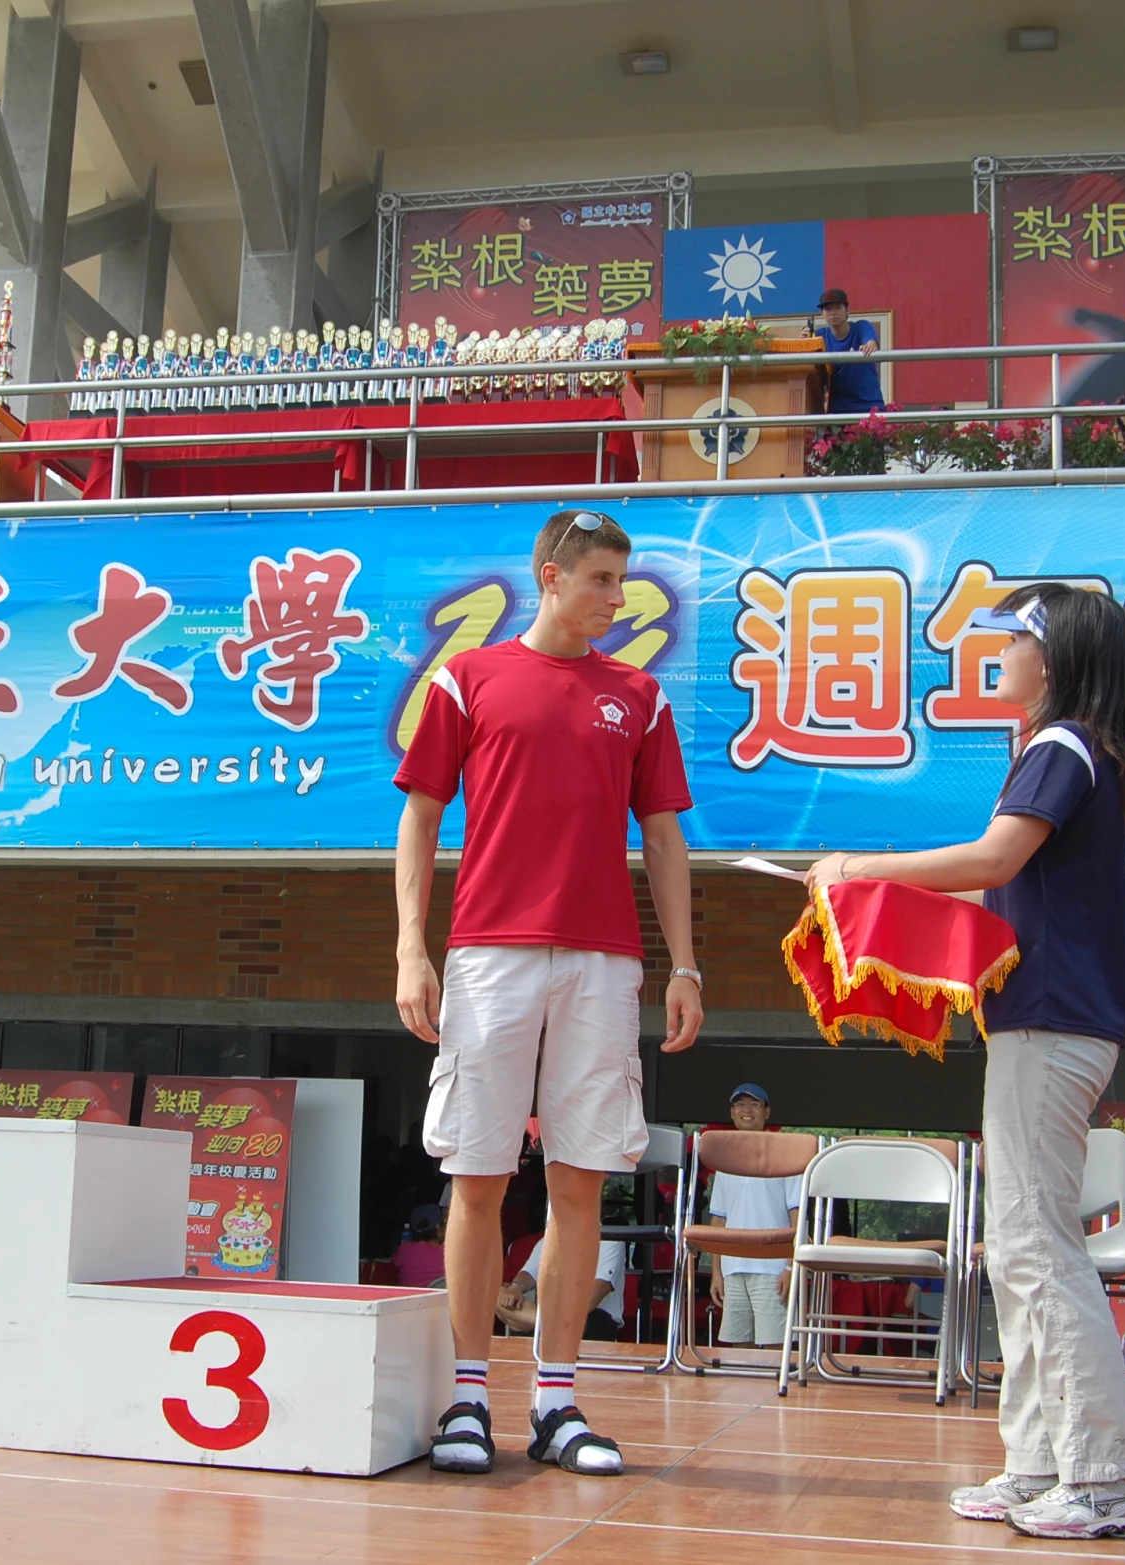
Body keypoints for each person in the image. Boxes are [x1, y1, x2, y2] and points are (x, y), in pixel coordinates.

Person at [807, 582, 1125, 1540]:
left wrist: (859, 868)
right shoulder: (1078, 748)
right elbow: (1006, 881)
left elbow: (994, 858)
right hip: (1043, 1023)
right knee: (1020, 1247)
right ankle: (1042, 1461)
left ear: (1059, 658)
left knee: (1039, 1247)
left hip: (1051, 1026)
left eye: (1014, 640)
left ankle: (1106, 1473)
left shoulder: (1060, 745)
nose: (997, 653)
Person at [395, 506, 705, 1478]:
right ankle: (467, 1399)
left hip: (604, 960)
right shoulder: (467, 677)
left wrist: (683, 962)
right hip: (488, 952)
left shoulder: (637, 697)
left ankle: (558, 1401)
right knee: (476, 1176)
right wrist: (411, 946)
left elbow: (662, 836)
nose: (619, 598)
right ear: (551, 576)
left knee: (581, 1178)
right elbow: (417, 816)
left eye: (623, 580)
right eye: (603, 580)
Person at [707, 1083, 801, 1349]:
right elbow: (718, 1221)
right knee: (738, 1350)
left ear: (767, 1112)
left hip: (772, 1269)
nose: (746, 1110)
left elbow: (797, 1216)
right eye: (740, 1104)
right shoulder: (726, 1161)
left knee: (774, 1349)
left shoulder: (785, 1155)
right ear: (732, 1112)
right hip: (733, 1269)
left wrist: (790, 1267)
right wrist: (717, 1273)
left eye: (754, 1104)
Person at [497, 1225, 627, 1343]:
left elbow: (599, 1289)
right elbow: (529, 1273)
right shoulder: (550, 1239)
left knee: (517, 1320)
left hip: (593, 1316)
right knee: (496, 1293)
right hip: (551, 1313)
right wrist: (515, 1288)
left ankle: (541, 1323)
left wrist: (568, 1315)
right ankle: (552, 1325)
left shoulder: (610, 1238)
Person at [814, 288, 885, 416]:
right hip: (837, 409)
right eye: (828, 309)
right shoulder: (819, 336)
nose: (833, 313)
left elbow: (871, 342)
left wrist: (869, 345)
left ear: (847, 310)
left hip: (868, 405)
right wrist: (803, 339)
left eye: (838, 307)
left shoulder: (862, 327)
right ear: (822, 314)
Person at [393, 1202, 449, 1289]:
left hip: (407, 1301)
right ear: (439, 1228)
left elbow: (393, 1265)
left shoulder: (404, 1250)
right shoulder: (449, 1254)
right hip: (440, 1301)